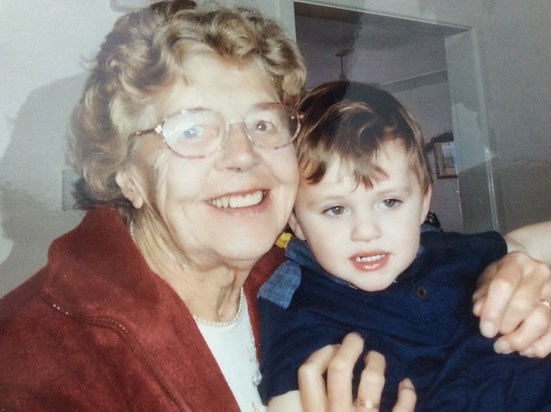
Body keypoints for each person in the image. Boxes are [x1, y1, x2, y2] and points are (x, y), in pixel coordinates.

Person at [0, 2, 546, 411]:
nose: (243, 155)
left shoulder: (282, 276)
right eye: (191, 129)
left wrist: (527, 278)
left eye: (263, 123)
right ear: (125, 175)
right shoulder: (30, 361)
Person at [258, 80, 551, 411]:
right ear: (296, 221)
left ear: (424, 203)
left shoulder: (444, 250)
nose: (366, 231)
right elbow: (288, 399)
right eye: (335, 209)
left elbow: (524, 243)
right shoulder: (298, 299)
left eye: (390, 202)